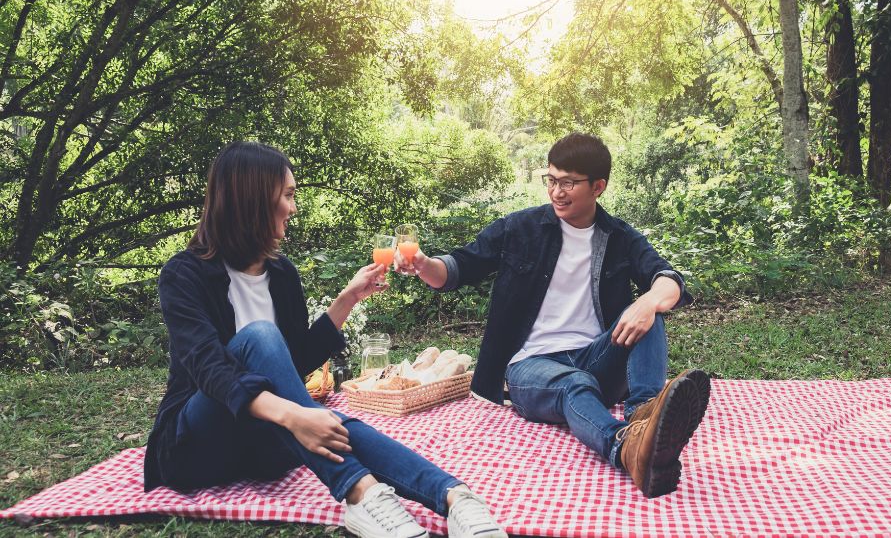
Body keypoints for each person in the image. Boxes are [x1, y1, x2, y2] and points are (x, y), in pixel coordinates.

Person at [144, 141, 506, 538]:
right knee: (263, 341)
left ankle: (456, 499)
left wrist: (348, 299)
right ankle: (362, 493)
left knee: (327, 418)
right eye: (287, 195)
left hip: (263, 450)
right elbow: (208, 370)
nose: (293, 208)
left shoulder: (281, 274)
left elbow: (294, 361)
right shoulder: (184, 274)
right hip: (196, 446)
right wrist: (293, 415)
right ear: (252, 198)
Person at [397, 132, 710, 498]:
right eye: (552, 180)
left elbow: (669, 280)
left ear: (598, 187)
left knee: (648, 313)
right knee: (574, 385)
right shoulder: (520, 228)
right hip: (532, 366)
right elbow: (457, 268)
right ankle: (624, 446)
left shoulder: (619, 237)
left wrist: (648, 301)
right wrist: (423, 264)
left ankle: (644, 417)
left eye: (568, 183)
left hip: (594, 357)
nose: (557, 191)